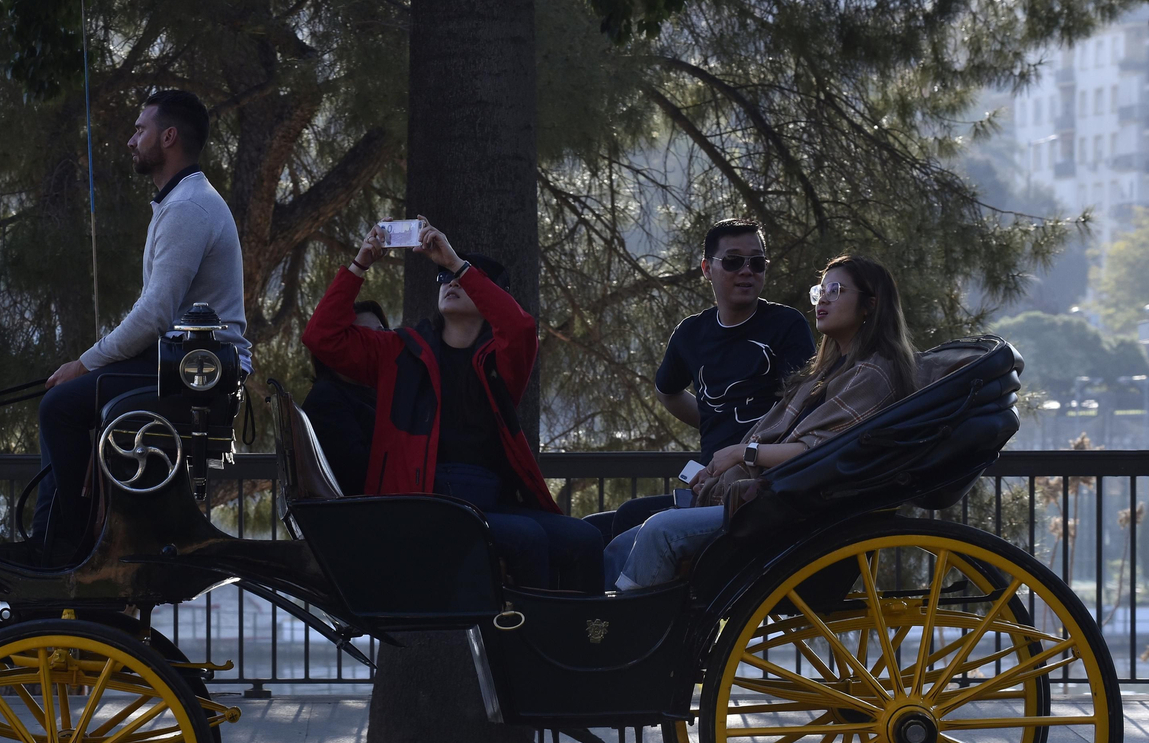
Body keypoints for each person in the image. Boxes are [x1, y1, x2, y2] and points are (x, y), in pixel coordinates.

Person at [302, 217, 606, 592]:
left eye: (465, 276)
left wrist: (456, 264)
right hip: (425, 503)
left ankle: (578, 642)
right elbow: (321, 337)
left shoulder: (498, 360)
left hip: (488, 499)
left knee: (586, 540)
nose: (452, 282)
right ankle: (519, 647)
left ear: (492, 298)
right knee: (527, 538)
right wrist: (360, 264)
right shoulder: (400, 350)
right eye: (444, 277)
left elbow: (521, 329)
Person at [23, 89, 251, 563]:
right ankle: (68, 538)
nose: (131, 140)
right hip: (185, 360)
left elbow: (153, 315)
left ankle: (64, 549)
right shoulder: (181, 202)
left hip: (200, 371)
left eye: (140, 129)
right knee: (65, 401)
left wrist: (84, 364)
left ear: (168, 138)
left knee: (59, 407)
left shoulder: (188, 208)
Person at [604, 254, 916, 590]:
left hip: (799, 515)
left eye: (836, 290)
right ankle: (603, 628)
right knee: (621, 543)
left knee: (659, 531)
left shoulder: (873, 374)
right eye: (820, 290)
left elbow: (822, 453)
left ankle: (628, 637)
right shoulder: (824, 373)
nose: (823, 298)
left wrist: (742, 453)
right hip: (772, 504)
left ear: (870, 304)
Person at [592, 218, 815, 541]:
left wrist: (744, 447)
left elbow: (803, 409)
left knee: (629, 519)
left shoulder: (786, 326)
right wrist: (713, 419)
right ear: (707, 268)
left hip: (759, 489)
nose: (746, 271)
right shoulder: (690, 334)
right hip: (710, 485)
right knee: (593, 528)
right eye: (734, 261)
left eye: (757, 262)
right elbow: (667, 392)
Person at [302, 299, 389, 495]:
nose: (379, 341)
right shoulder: (326, 400)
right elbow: (357, 475)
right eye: (365, 335)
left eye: (382, 332)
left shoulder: (379, 392)